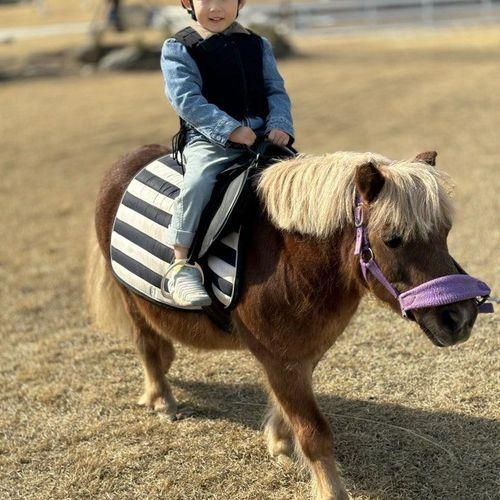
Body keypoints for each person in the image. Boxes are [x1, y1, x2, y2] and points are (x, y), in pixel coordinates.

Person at [161, 0, 294, 307]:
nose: (216, 8)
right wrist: (230, 129)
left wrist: (279, 124)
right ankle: (181, 263)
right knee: (198, 182)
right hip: (209, 141)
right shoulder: (179, 47)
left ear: (240, 3)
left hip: (263, 136)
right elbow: (187, 100)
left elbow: (275, 90)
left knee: (299, 177)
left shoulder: (257, 44)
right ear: (188, 3)